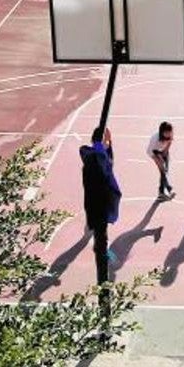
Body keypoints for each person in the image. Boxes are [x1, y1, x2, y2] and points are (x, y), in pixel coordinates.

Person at [80, 126, 121, 310]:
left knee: (101, 236)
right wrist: (103, 144)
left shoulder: (94, 157)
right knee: (101, 240)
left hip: (96, 206)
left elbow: (105, 158)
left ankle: (100, 250)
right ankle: (101, 253)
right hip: (99, 207)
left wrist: (106, 143)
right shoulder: (94, 157)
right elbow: (101, 157)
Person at [148, 121, 176, 200]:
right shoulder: (155, 139)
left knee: (165, 170)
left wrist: (165, 151)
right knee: (162, 170)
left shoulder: (170, 134)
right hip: (154, 152)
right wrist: (158, 159)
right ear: (162, 132)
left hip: (163, 151)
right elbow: (150, 151)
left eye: (170, 132)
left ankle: (165, 189)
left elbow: (170, 142)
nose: (169, 134)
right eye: (167, 133)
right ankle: (164, 191)